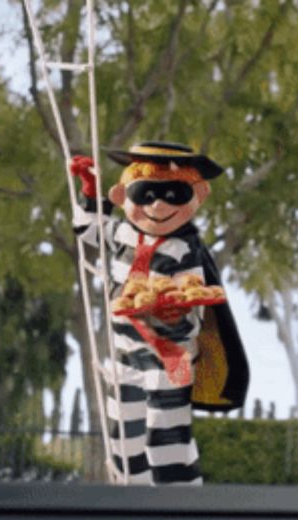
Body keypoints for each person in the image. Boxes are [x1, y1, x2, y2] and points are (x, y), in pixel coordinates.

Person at [69, 141, 249, 486]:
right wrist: (90, 190)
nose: (159, 204)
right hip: (125, 356)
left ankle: (181, 507)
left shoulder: (183, 250)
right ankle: (133, 501)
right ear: (123, 195)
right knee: (124, 436)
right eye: (145, 193)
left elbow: (192, 307)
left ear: (198, 195)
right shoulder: (123, 233)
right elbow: (90, 230)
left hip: (170, 360)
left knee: (165, 440)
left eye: (174, 194)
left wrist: (170, 315)